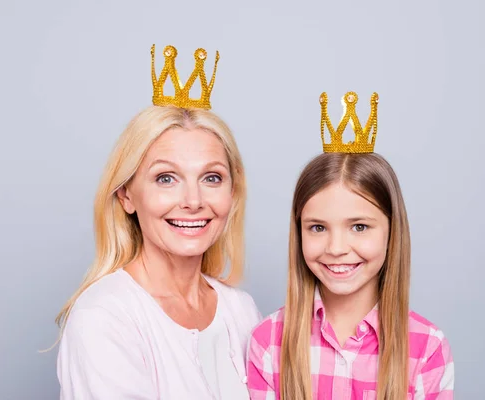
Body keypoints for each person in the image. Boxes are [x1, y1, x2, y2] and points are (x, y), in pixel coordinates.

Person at [56, 44, 261, 399]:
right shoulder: (104, 316)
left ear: (233, 193)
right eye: (166, 178)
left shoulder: (241, 310)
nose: (193, 201)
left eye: (211, 178)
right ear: (126, 195)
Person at [246, 92, 454, 399]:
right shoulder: (268, 341)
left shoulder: (426, 348)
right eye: (318, 227)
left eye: (359, 227)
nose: (337, 247)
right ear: (299, 232)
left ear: (391, 232)